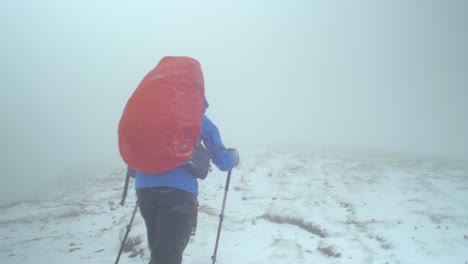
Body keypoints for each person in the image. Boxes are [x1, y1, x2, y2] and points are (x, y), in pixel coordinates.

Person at [134, 98, 239, 264]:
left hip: (144, 190)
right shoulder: (196, 118)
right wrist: (234, 157)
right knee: (167, 255)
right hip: (177, 192)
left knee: (160, 252)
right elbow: (223, 162)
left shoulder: (152, 117)